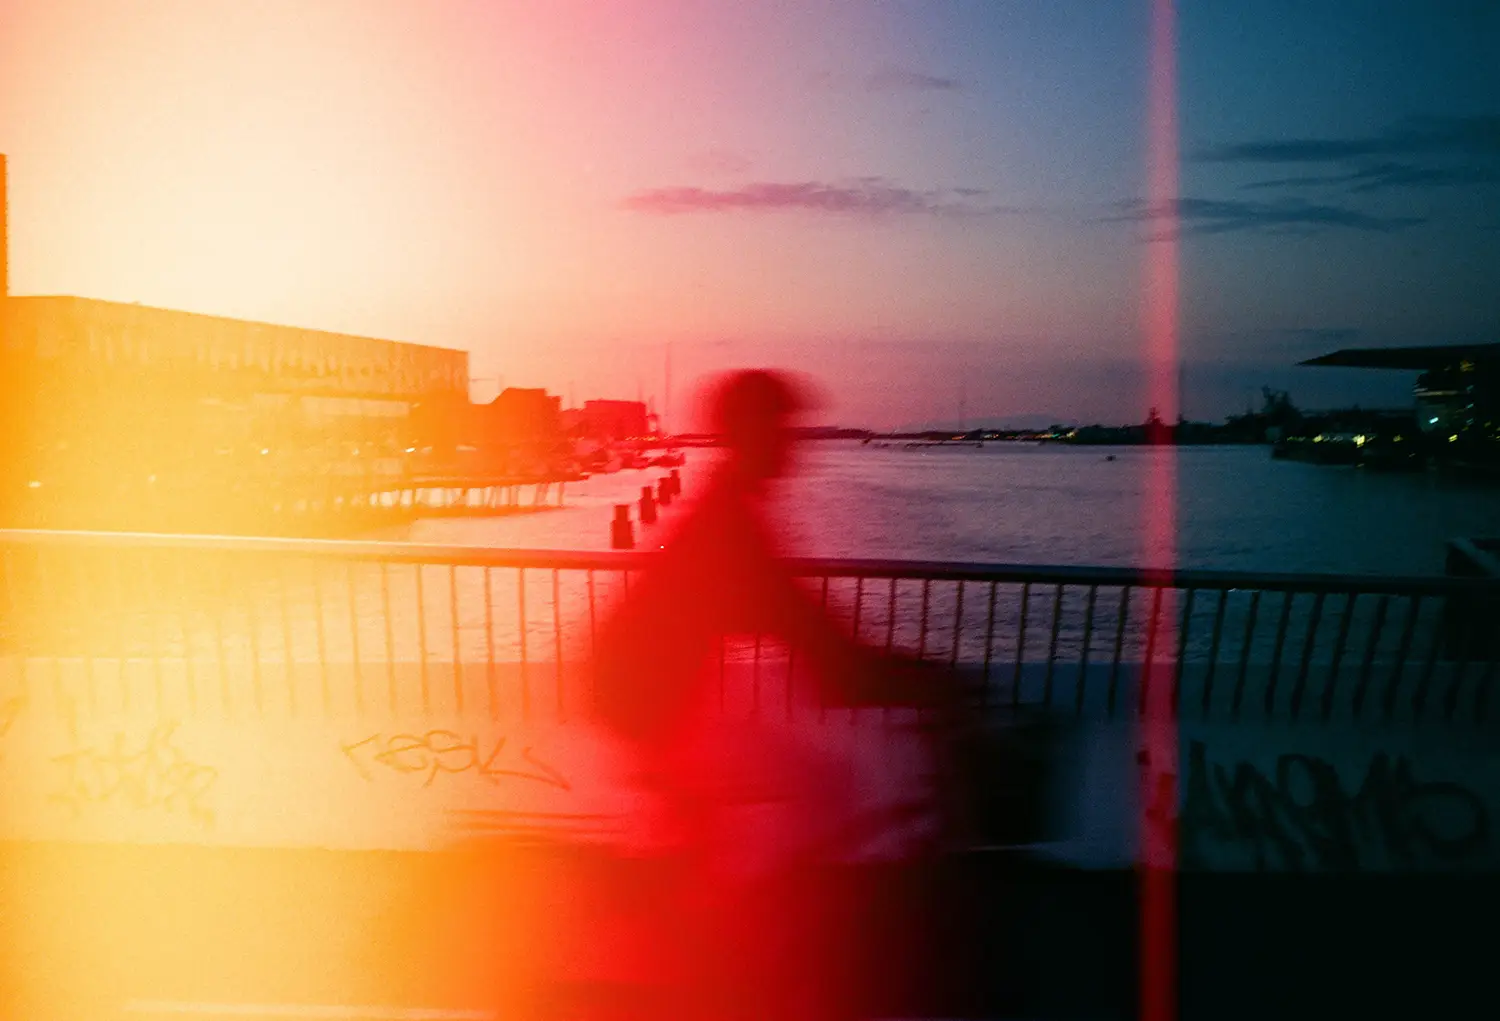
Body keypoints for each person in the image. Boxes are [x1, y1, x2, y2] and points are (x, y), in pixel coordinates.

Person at [589, 369, 961, 1020]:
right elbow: (820, 643)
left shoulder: (729, 505)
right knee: (825, 781)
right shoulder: (730, 524)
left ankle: (709, 932)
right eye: (784, 430)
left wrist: (876, 669)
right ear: (752, 436)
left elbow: (806, 630)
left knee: (767, 798)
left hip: (651, 693)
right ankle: (733, 957)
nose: (797, 445)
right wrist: (930, 679)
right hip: (650, 703)